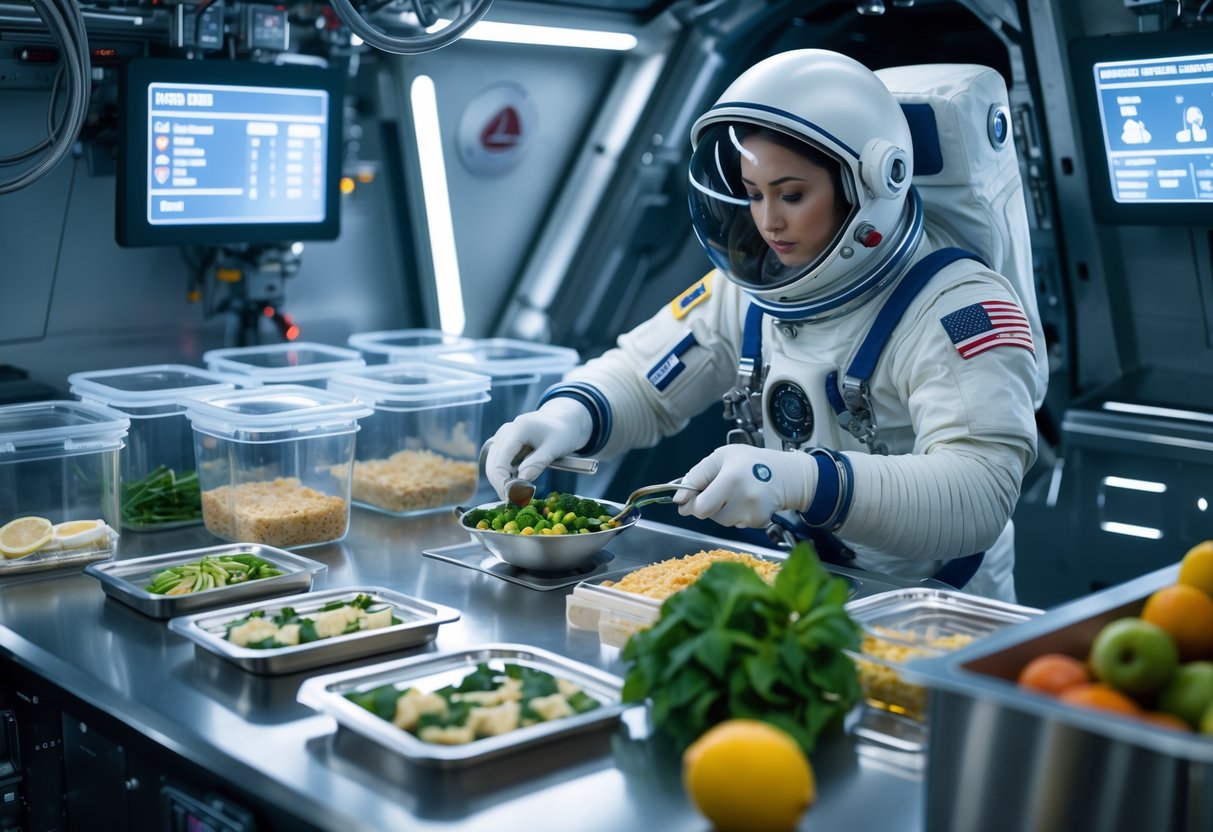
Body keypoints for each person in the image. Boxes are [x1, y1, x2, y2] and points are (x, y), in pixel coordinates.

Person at [484, 49, 1046, 601]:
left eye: (793, 195)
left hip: (937, 603)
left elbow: (979, 492)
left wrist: (802, 481)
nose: (768, 222)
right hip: (804, 587)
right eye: (753, 194)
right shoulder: (756, 290)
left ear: (871, 186)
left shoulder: (957, 308)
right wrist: (567, 416)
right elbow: (643, 378)